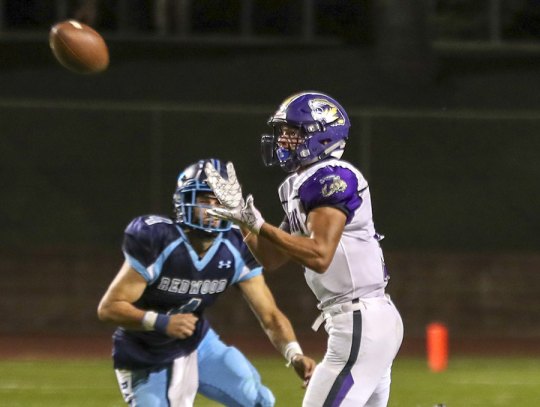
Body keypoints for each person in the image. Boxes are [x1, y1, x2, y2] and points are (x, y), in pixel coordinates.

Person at [204, 92, 404, 407]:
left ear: (322, 135)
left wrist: (259, 225)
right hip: (363, 321)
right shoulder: (298, 184)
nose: (283, 140)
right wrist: (242, 217)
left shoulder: (331, 177)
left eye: (293, 132)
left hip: (360, 321)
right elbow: (273, 257)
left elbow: (319, 255)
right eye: (282, 132)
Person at [97, 158, 316, 407]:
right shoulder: (159, 241)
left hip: (199, 344)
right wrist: (160, 321)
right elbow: (109, 308)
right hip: (145, 355)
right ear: (184, 202)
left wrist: (295, 354)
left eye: (218, 201)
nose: (212, 209)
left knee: (258, 400)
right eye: (204, 200)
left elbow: (270, 315)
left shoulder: (236, 246)